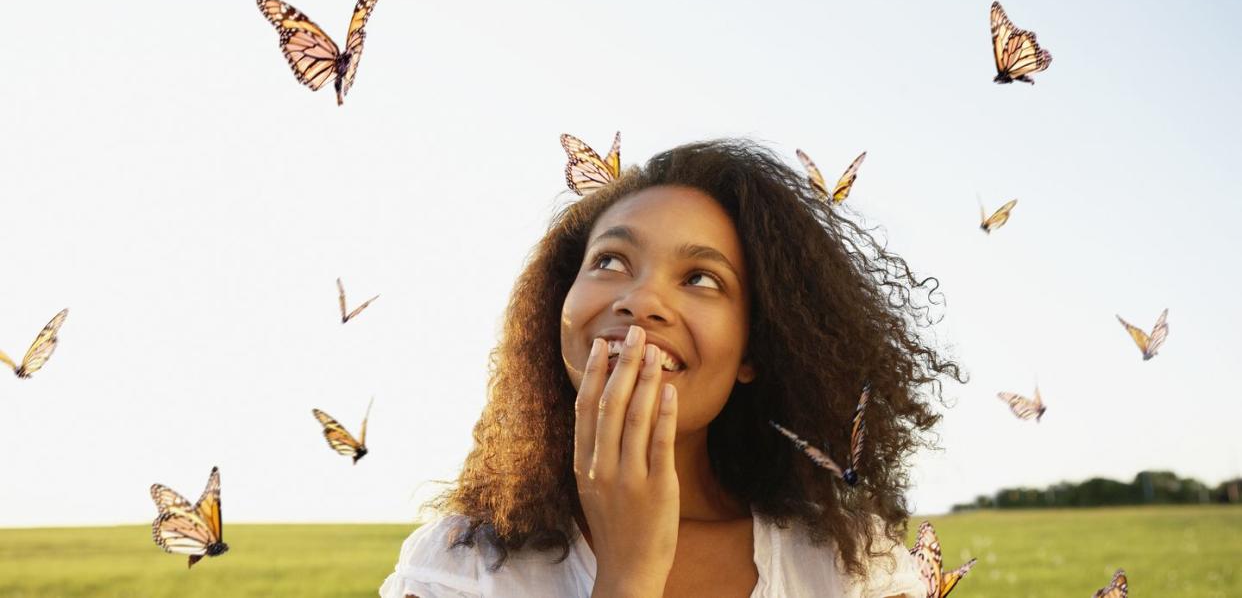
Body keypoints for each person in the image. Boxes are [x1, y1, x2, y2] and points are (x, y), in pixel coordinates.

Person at [380, 139, 962, 597]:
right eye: (610, 260)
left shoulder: (851, 569)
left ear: (755, 349)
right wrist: (629, 578)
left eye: (701, 279)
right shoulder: (459, 570)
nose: (641, 300)